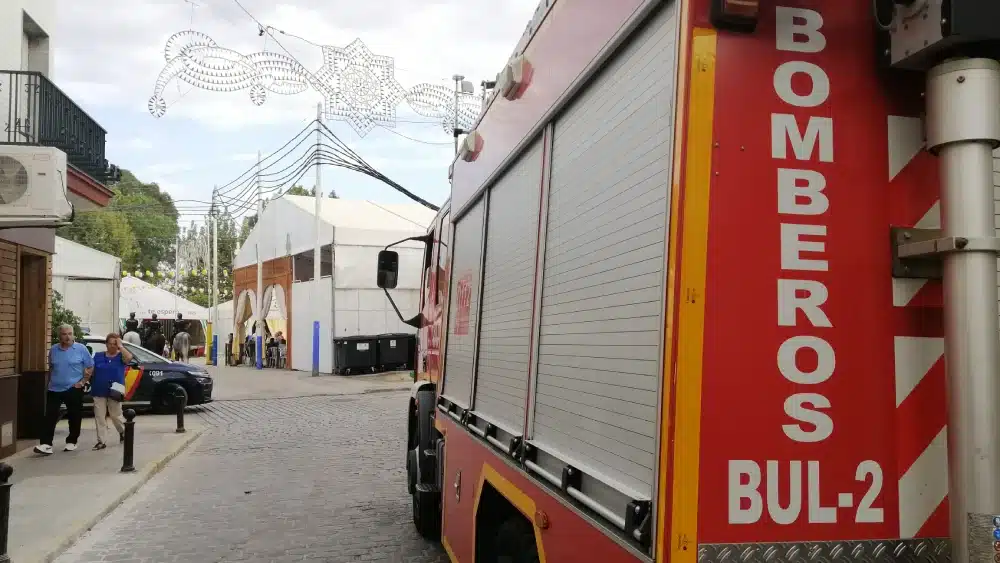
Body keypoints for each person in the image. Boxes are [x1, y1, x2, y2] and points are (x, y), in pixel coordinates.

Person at [35, 324, 93, 455]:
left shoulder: (81, 349)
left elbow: (90, 366)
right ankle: (46, 444)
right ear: (59, 336)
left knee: (74, 415)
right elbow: (51, 368)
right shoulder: (54, 350)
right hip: (54, 388)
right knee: (49, 416)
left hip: (73, 388)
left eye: (70, 334)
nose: (67, 337)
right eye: (64, 334)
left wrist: (82, 382)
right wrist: (48, 383)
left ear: (73, 335)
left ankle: (72, 441)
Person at [90, 333, 133, 450]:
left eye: (115, 344)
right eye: (110, 344)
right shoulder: (98, 356)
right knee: (99, 416)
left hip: (115, 390)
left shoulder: (121, 357)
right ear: (106, 344)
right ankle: (101, 441)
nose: (112, 346)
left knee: (115, 415)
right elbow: (91, 370)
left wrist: (121, 346)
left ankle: (123, 431)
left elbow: (129, 358)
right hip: (99, 389)